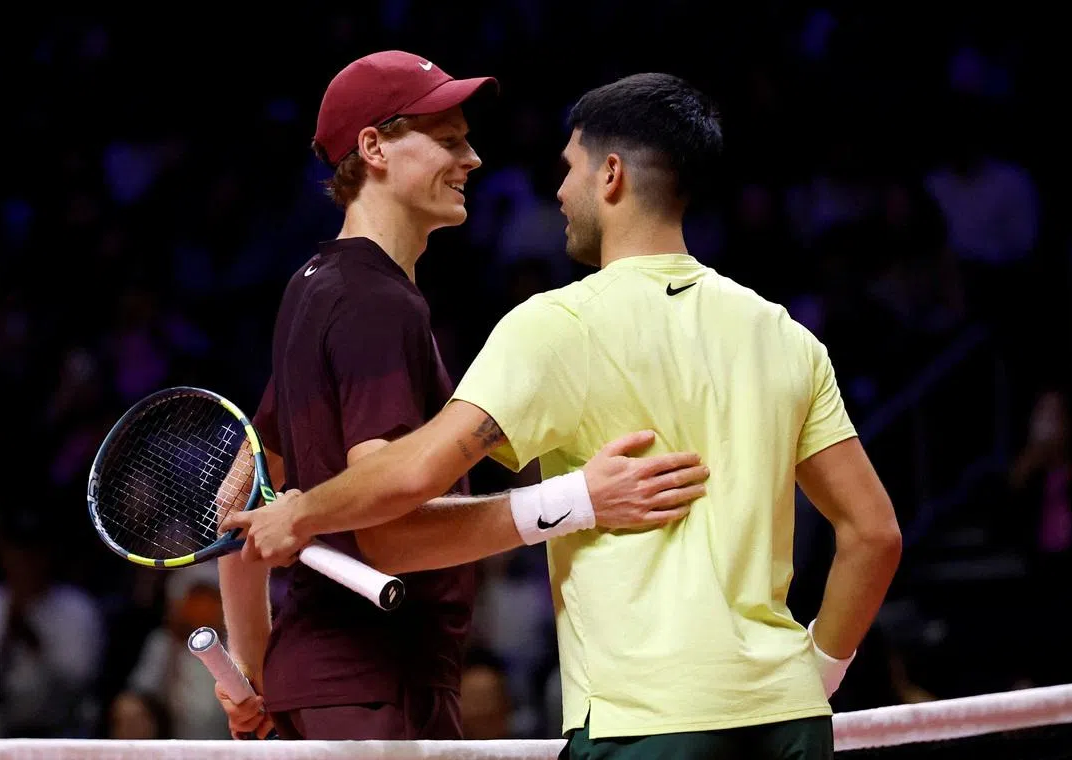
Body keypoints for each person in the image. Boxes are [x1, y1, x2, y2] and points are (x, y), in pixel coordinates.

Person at [224, 71, 902, 759]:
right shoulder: (785, 334)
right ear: (371, 150)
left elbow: (371, 487)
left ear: (611, 176)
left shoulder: (550, 324)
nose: (555, 191)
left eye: (568, 169)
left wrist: (297, 530)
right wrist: (815, 674)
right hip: (787, 716)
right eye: (450, 141)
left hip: (643, 719)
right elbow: (875, 534)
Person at [215, 53, 710, 742]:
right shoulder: (375, 302)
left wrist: (254, 669)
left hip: (324, 686)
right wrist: (576, 501)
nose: (472, 158)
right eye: (447, 139)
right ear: (373, 147)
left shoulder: (313, 284)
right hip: (379, 691)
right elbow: (386, 530)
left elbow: (236, 503)